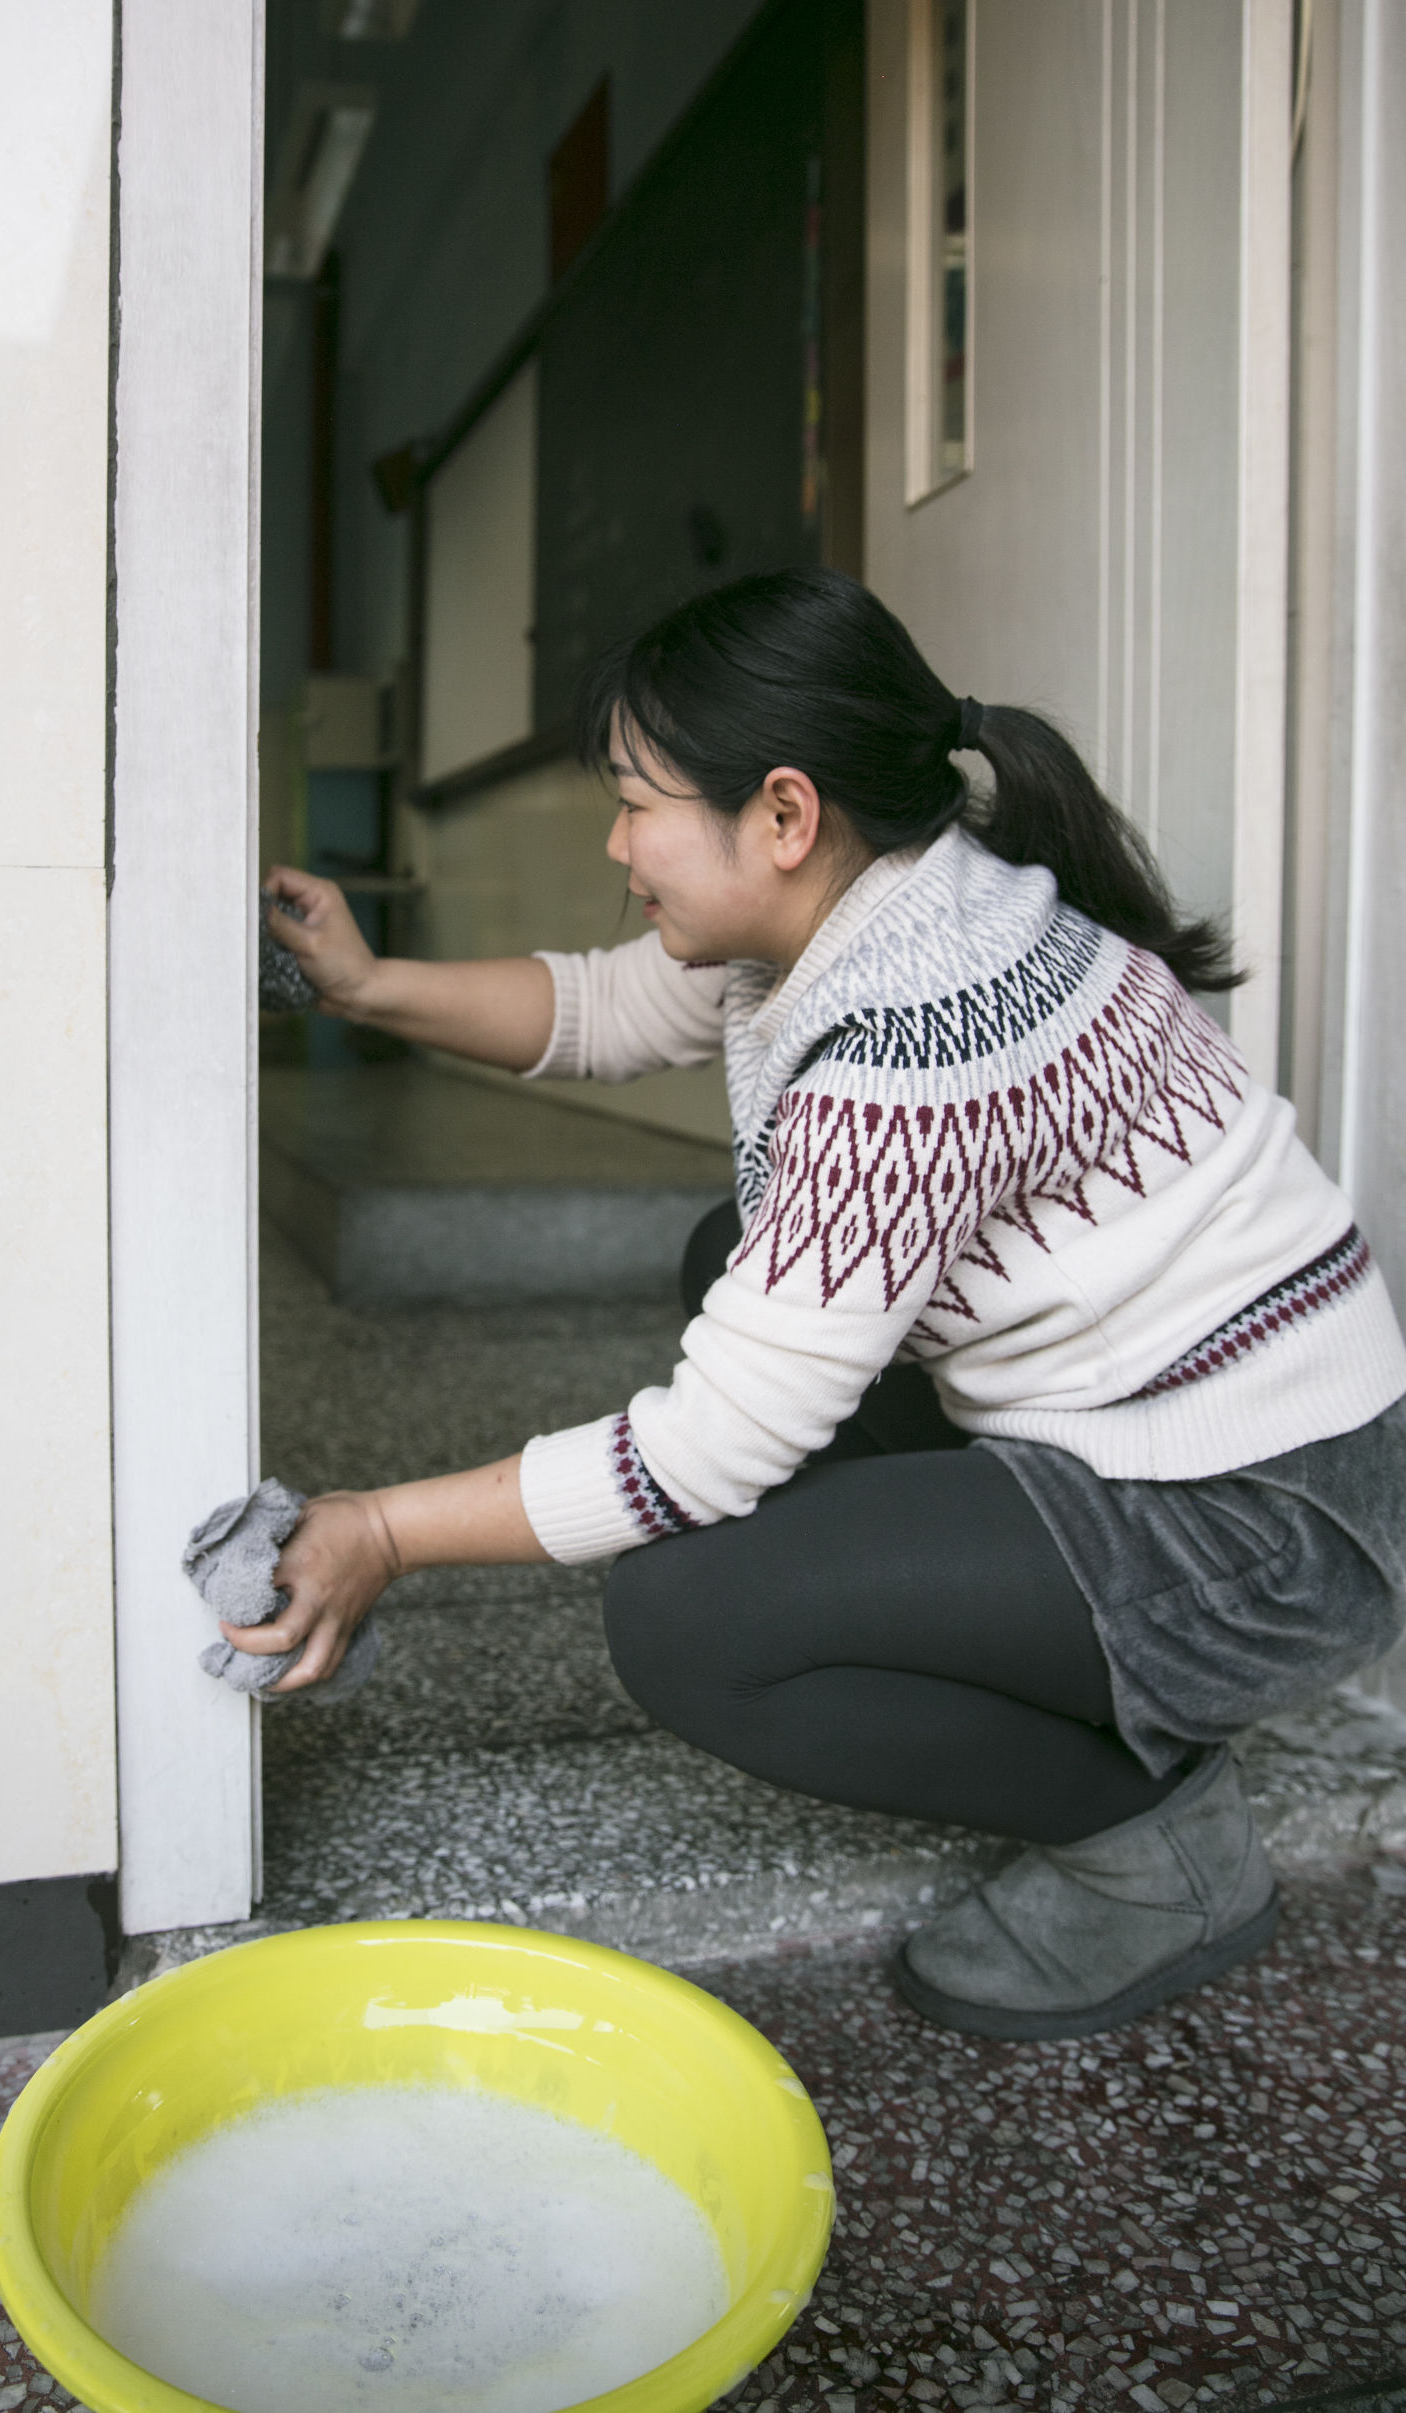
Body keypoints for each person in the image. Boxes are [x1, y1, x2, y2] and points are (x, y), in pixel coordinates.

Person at [245, 567, 1406, 2041]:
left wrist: (381, 1529)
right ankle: (936, 1610)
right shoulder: (878, 895)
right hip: (1181, 1438)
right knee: (733, 1251)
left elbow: (702, 1452)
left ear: (783, 815)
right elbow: (605, 1010)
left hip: (1264, 1528)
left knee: (691, 1616)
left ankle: (1157, 1854)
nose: (615, 843)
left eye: (637, 803)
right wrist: (363, 984)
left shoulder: (916, 1031)